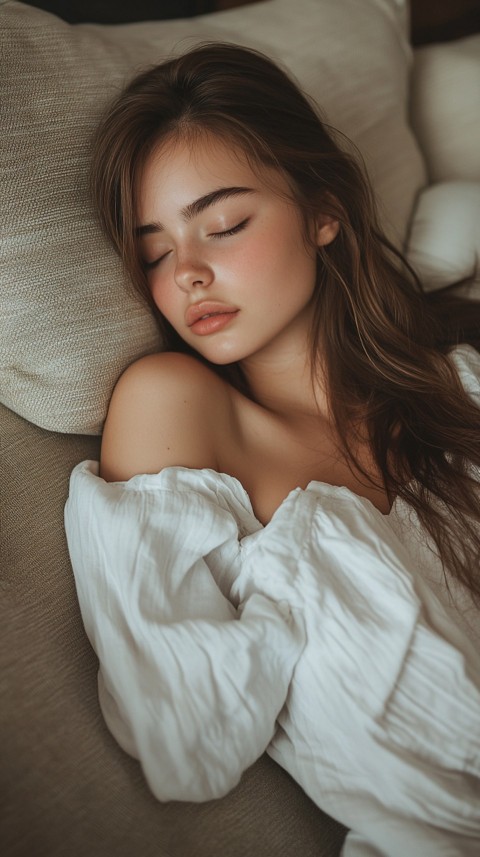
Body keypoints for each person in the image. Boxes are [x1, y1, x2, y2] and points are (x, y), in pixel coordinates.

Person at [65, 43, 480, 856]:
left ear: (323, 211)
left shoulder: (460, 386)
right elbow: (184, 732)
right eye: (154, 252)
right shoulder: (175, 406)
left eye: (223, 225)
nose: (187, 272)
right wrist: (309, 585)